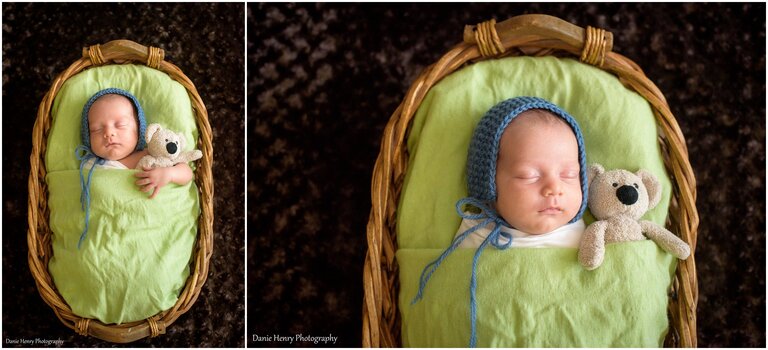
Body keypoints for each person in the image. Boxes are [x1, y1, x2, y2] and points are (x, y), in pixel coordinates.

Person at [411, 96, 588, 347]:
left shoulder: (592, 236)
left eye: (569, 175)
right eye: (529, 176)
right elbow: (451, 302)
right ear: (489, 184)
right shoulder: (475, 233)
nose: (554, 188)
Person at [75, 88, 194, 248]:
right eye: (96, 129)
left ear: (139, 128)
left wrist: (170, 174)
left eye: (121, 125)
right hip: (106, 239)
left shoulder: (152, 155)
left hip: (149, 232)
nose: (109, 133)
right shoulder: (89, 167)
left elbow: (187, 173)